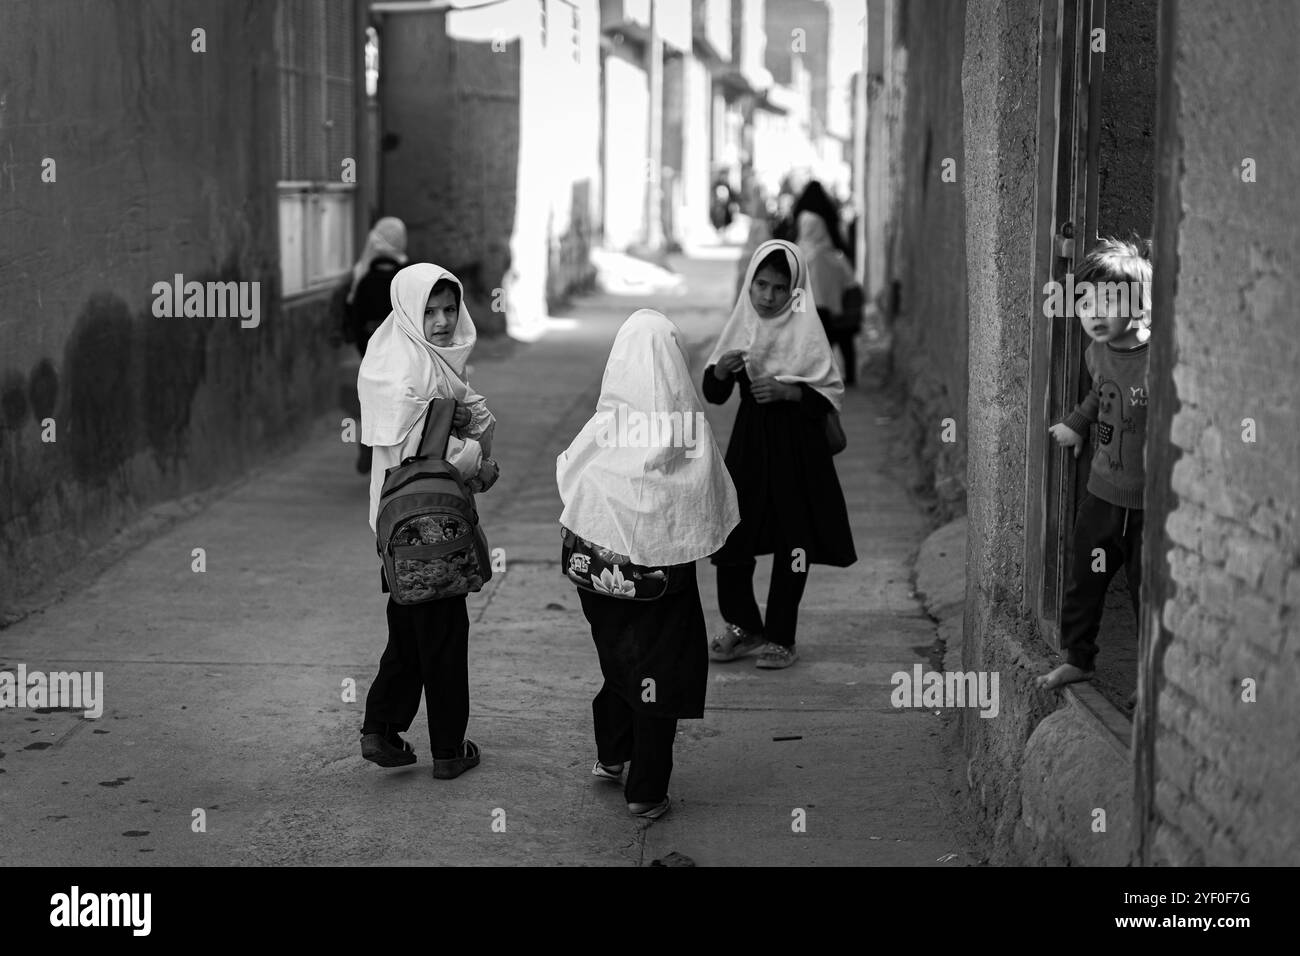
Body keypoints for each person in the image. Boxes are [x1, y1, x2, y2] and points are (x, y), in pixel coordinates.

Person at [556, 310, 739, 820]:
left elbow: (571, 479)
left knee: (619, 659)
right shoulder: (687, 431)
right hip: (663, 580)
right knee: (661, 670)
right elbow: (712, 502)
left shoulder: (604, 426)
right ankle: (646, 791)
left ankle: (613, 755)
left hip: (598, 577)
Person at [356, 263, 501, 778]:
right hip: (429, 520)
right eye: (430, 310)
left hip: (393, 523)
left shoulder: (402, 355)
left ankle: (382, 728)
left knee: (409, 625)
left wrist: (461, 417)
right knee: (442, 636)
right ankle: (446, 749)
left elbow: (467, 418)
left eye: (449, 309)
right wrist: (477, 463)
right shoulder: (412, 370)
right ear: (409, 311)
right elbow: (429, 457)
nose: (441, 321)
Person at [703, 240, 857, 669]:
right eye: (761, 285)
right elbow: (714, 393)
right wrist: (719, 371)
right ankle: (743, 625)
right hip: (750, 445)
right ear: (749, 285)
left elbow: (828, 399)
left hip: (798, 451)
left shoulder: (808, 332)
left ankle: (781, 638)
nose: (768, 296)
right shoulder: (743, 325)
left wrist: (791, 392)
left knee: (795, 542)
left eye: (779, 288)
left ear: (796, 291)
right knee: (732, 535)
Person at [1038, 239, 1152, 691]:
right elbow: (1099, 392)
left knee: (1150, 596)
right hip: (1103, 494)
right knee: (1084, 580)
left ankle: (1151, 686)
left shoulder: (1161, 361)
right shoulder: (1096, 353)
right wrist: (1078, 424)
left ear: (1140, 306)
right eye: (1085, 303)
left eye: (1109, 302)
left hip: (1150, 506)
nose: (1094, 313)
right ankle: (1078, 658)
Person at [345, 217, 409, 473]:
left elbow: (353, 310)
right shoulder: (406, 271)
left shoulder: (362, 270)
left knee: (374, 396)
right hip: (400, 349)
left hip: (370, 348)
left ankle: (369, 440)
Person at [796, 210, 861, 386]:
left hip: (815, 309)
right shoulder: (832, 255)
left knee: (820, 346)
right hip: (836, 307)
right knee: (843, 342)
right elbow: (849, 279)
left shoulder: (804, 255)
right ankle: (847, 376)